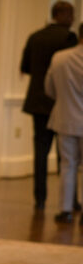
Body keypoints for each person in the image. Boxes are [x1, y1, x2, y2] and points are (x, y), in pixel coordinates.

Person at [20, 0, 77, 210]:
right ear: (63, 15)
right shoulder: (68, 38)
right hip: (62, 103)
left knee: (40, 153)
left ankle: (40, 198)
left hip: (37, 103)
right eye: (71, 15)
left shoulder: (35, 36)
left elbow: (25, 67)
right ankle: (70, 202)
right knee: (68, 157)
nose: (72, 20)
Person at [45, 22, 83, 223]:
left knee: (67, 165)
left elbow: (49, 89)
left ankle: (65, 209)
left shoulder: (60, 58)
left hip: (66, 118)